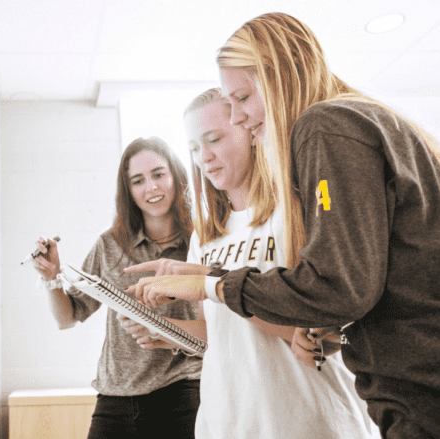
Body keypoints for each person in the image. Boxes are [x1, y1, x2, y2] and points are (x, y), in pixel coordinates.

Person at [129, 13, 440, 439]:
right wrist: (329, 330)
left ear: (281, 75)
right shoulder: (360, 120)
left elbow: (335, 288)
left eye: (242, 97)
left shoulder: (324, 128)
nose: (239, 118)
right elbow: (362, 286)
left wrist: (208, 284)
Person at [141, 87, 374, 438]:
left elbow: (324, 332)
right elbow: (220, 334)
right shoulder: (204, 237)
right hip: (230, 421)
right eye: (193, 148)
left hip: (309, 419)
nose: (204, 157)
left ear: (250, 132)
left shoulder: (296, 214)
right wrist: (168, 332)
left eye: (214, 139)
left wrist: (213, 282)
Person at [31, 137, 202, 438]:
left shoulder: (202, 242)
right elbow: (67, 318)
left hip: (182, 393)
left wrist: (163, 330)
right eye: (138, 181)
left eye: (159, 174)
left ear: (176, 175)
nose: (151, 187)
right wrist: (51, 277)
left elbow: (217, 328)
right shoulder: (110, 244)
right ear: (129, 192)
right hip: (115, 399)